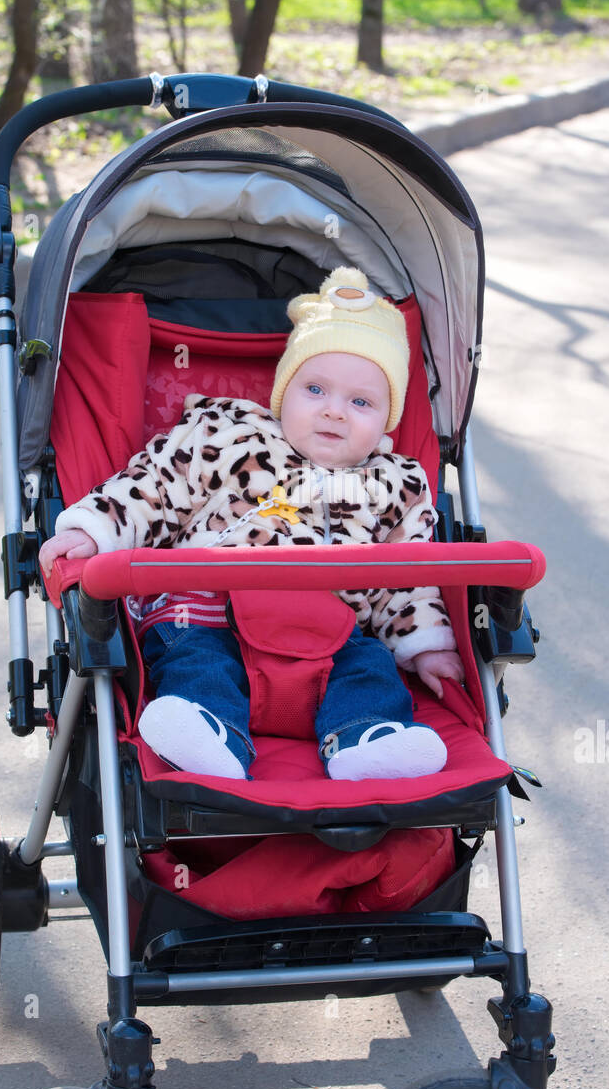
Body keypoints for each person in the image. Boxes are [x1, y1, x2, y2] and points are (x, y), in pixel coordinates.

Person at [39, 267, 464, 782]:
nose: (334, 412)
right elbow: (153, 488)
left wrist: (430, 646)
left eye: (361, 402)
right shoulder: (230, 435)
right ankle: (209, 734)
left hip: (331, 633)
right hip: (209, 609)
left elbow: (411, 575)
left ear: (387, 417)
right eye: (315, 389)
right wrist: (94, 531)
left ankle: (367, 742)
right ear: (284, 392)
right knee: (197, 661)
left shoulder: (395, 482)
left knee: (372, 671)